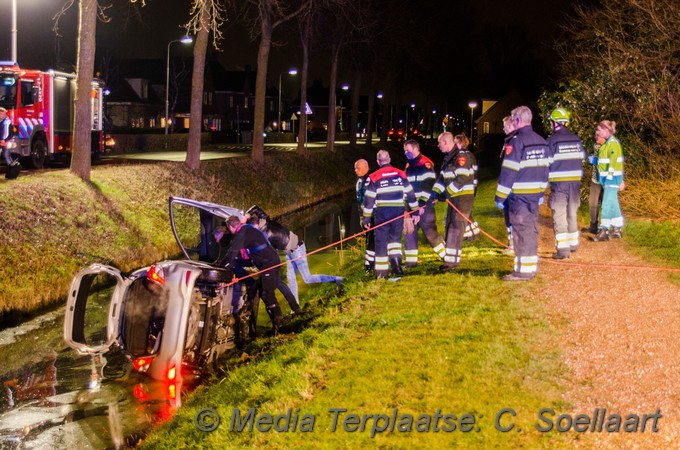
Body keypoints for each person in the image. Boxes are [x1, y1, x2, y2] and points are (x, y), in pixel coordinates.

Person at [246, 205, 345, 304]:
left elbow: (266, 251)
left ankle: (338, 279)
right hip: (290, 251)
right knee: (291, 279)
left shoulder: (265, 235)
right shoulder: (265, 220)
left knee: (307, 278)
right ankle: (295, 306)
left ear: (256, 226)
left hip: (297, 249)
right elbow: (255, 208)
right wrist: (247, 215)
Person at [494, 106, 550, 281]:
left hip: (520, 197)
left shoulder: (516, 142)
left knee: (520, 233)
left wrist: (500, 196)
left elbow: (509, 172)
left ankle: (521, 272)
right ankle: (529, 267)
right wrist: (541, 191)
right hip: (534, 196)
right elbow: (546, 169)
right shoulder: (541, 140)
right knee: (531, 231)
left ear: (517, 121)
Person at [217, 215, 284, 335]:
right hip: (263, 260)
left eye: (228, 229)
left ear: (231, 227)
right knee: (236, 263)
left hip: (269, 262)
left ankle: (279, 324)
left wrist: (221, 267)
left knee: (266, 293)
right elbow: (235, 256)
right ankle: (251, 285)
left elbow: (232, 252)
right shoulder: (246, 228)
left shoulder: (241, 233)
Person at [362, 149, 419, 279]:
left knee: (381, 242)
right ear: (389, 160)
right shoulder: (401, 174)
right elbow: (410, 193)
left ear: (378, 162)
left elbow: (369, 200)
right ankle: (397, 267)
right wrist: (415, 211)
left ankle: (382, 273)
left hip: (382, 213)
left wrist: (366, 219)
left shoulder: (374, 177)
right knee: (395, 240)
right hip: (398, 212)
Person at [429, 132, 477, 272]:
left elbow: (462, 179)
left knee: (456, 228)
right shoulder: (448, 158)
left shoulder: (461, 157)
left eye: (439, 143)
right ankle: (451, 260)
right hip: (454, 197)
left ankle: (451, 263)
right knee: (450, 226)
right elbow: (442, 179)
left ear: (446, 142)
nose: (438, 146)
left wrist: (446, 193)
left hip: (463, 198)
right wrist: (434, 193)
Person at [546, 108, 585, 259]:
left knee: (560, 215)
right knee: (572, 213)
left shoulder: (552, 141)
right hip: (575, 184)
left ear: (555, 123)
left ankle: (562, 250)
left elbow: (546, 162)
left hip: (559, 185)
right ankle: (573, 244)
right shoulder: (576, 139)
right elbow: (581, 158)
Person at [402, 139, 446, 267]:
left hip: (424, 206)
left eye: (408, 150)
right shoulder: (409, 165)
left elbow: (428, 186)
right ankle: (411, 262)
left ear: (416, 149)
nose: (406, 153)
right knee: (409, 232)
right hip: (411, 206)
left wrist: (421, 205)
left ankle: (447, 257)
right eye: (404, 151)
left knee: (430, 233)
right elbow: (406, 186)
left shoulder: (425, 163)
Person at [592, 120, 624, 241]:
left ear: (606, 130)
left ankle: (603, 230)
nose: (598, 132)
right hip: (608, 179)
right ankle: (617, 229)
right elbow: (604, 163)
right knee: (613, 204)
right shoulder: (606, 144)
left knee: (606, 204)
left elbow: (613, 162)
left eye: (599, 130)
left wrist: (609, 178)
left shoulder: (613, 144)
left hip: (612, 179)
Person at [354, 159, 375, 274]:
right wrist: (362, 218)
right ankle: (369, 264)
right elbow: (359, 202)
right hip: (365, 217)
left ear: (366, 167)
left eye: (358, 168)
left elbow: (371, 201)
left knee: (372, 240)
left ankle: (370, 265)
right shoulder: (359, 182)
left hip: (374, 216)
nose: (356, 170)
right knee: (369, 239)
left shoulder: (371, 180)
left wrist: (370, 217)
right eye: (355, 168)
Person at [500, 115, 516, 254]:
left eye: (506, 125)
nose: (504, 128)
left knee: (512, 216)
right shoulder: (508, 141)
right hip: (508, 185)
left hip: (512, 187)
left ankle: (513, 244)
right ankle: (511, 242)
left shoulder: (514, 142)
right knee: (507, 215)